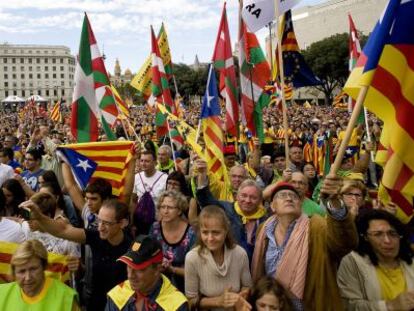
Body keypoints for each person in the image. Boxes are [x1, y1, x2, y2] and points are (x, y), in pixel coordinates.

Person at [251, 179, 358, 310]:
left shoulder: (316, 226)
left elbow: (344, 243)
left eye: (294, 196)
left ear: (300, 205)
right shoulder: (264, 230)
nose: (289, 198)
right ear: (272, 206)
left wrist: (335, 204)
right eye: (282, 195)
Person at [21, 198, 132, 311]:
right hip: (95, 304)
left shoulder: (133, 248)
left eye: (107, 223)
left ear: (122, 223)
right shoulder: (96, 237)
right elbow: (63, 230)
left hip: (122, 306)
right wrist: (39, 216)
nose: (100, 227)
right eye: (99, 221)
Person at [337, 210, 414, 311]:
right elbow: (350, 306)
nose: (387, 240)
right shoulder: (352, 261)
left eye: (392, 233)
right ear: (365, 237)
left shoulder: (410, 260)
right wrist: (389, 306)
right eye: (378, 234)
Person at [185, 205, 252, 310]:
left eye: (216, 232)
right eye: (205, 232)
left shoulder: (240, 254)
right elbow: (190, 300)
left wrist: (241, 297)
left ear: (225, 231)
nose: (210, 238)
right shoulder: (192, 258)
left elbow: (247, 286)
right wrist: (218, 302)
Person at [196, 163, 268, 261]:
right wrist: (202, 175)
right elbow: (205, 200)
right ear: (237, 196)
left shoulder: (266, 220)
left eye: (253, 197)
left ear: (260, 200)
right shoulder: (226, 209)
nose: (247, 200)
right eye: (244, 196)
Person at [106, 235, 189, 311]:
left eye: (139, 269)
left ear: (157, 268)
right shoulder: (118, 295)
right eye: (129, 266)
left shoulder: (176, 305)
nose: (131, 275)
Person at [0, 240, 79, 310]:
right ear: (14, 272)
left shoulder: (66, 298)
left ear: (44, 266)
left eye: (33, 269)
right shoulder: (2, 294)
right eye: (21, 271)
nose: (28, 278)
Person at [149, 190, 196, 292]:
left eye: (170, 208)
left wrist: (172, 269)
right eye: (163, 207)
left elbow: (196, 270)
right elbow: (148, 255)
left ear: (179, 210)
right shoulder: (155, 228)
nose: (165, 211)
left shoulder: (191, 233)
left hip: (183, 285)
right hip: (158, 283)